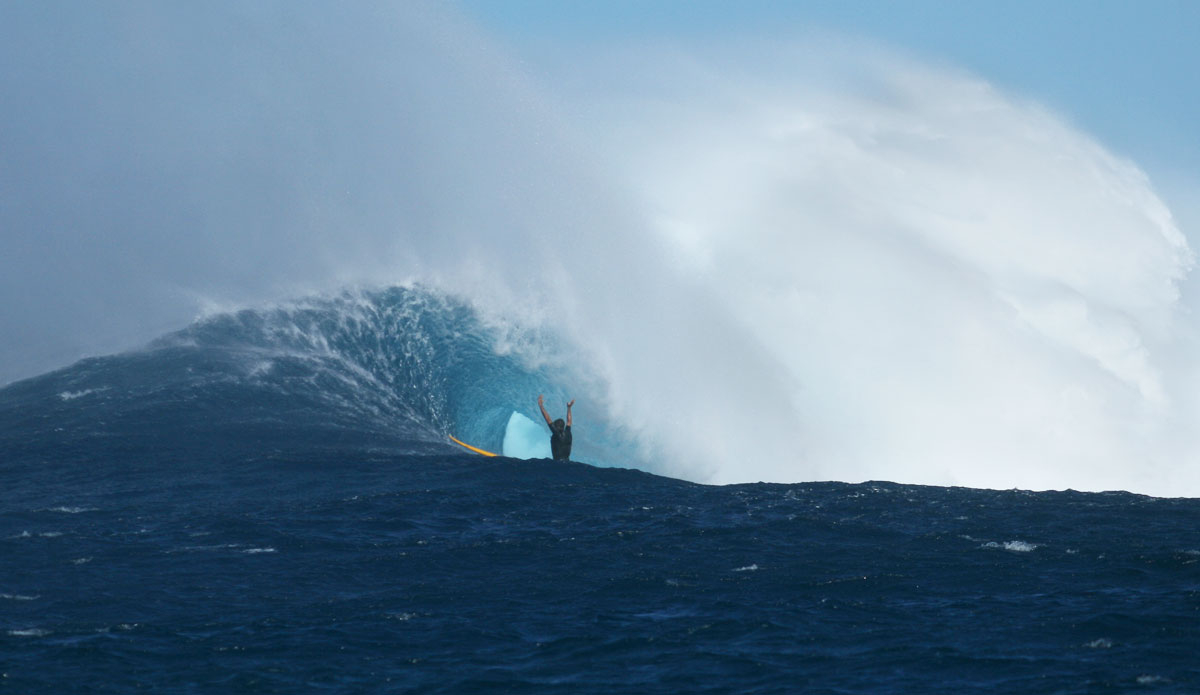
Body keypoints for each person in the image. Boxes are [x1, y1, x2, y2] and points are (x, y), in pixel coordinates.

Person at [538, 394, 574, 461]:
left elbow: (547, 419)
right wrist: (569, 408)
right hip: (568, 462)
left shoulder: (557, 434)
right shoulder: (568, 433)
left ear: (556, 427)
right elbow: (569, 421)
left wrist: (541, 405)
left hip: (558, 464)